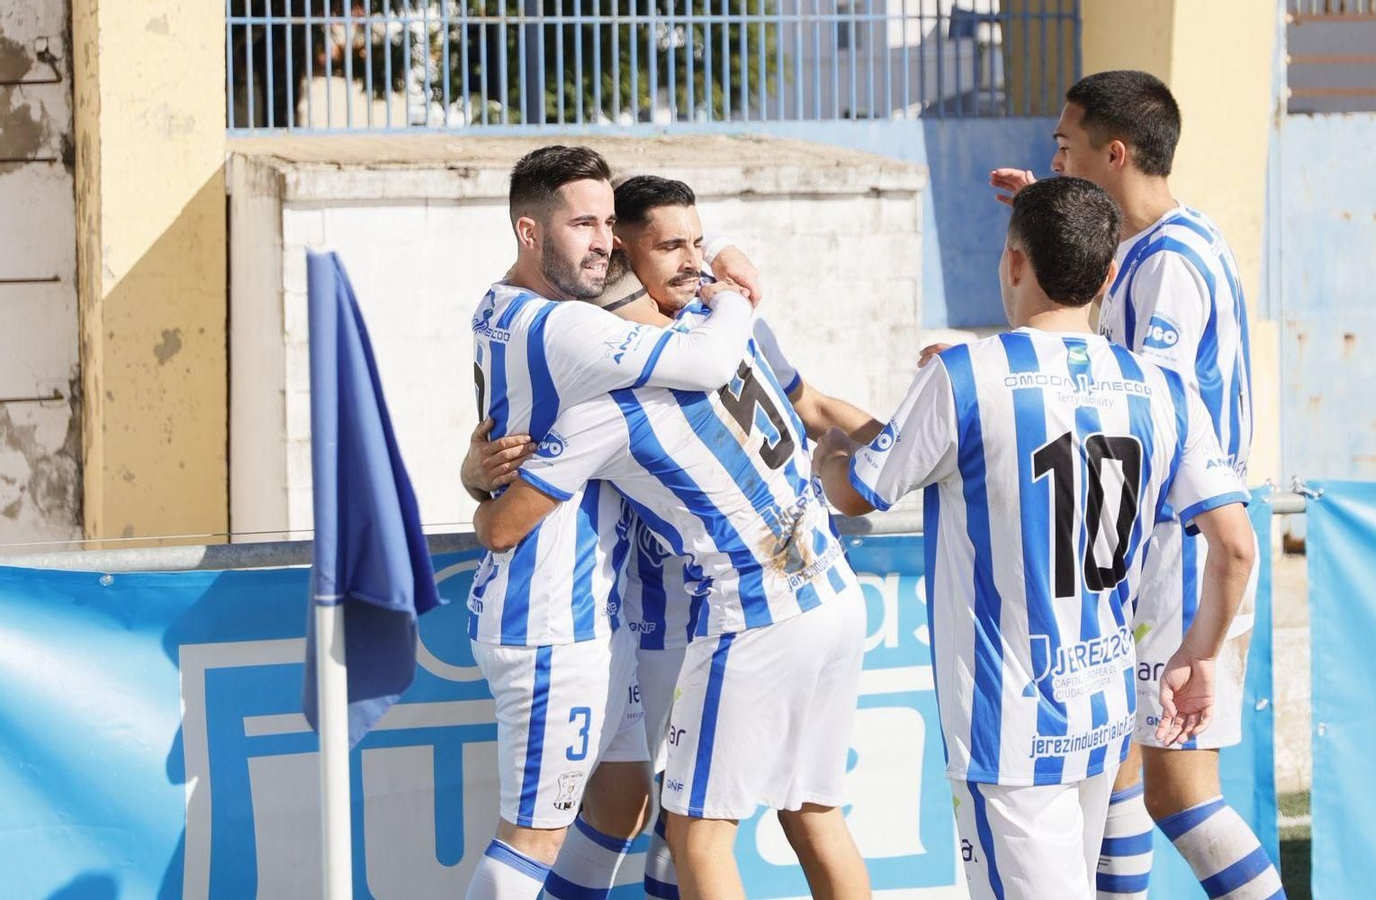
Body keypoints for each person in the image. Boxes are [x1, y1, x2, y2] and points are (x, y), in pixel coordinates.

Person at [813, 176, 1258, 900]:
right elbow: (1235, 545)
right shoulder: (1161, 388)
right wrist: (1200, 653)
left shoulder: (965, 374)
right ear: (1109, 275)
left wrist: (827, 448)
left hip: (1010, 731)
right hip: (1100, 711)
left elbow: (858, 488)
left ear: (1013, 263)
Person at [464, 173, 883, 899]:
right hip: (833, 595)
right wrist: (722, 262)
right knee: (811, 814)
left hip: (749, 620)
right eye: (674, 249)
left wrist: (481, 491)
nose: (690, 258)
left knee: (694, 833)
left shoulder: (615, 400)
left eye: (694, 245)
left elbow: (501, 527)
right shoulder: (731, 326)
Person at [988, 71, 1279, 900]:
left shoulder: (1170, 268)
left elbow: (1143, 403)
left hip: (1182, 552)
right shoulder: (1156, 247)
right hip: (1147, 548)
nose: (1054, 154)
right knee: (1113, 765)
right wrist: (1052, 206)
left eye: (1064, 144)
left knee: (1179, 793)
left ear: (1112, 154)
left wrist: (1009, 372)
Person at [461, 145, 763, 900]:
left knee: (627, 800)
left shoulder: (498, 307)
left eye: (609, 224)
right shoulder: (566, 330)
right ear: (530, 232)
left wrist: (474, 478)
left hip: (595, 608)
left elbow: (496, 459)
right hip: (551, 616)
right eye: (584, 225)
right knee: (532, 838)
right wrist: (734, 289)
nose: (606, 241)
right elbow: (708, 364)